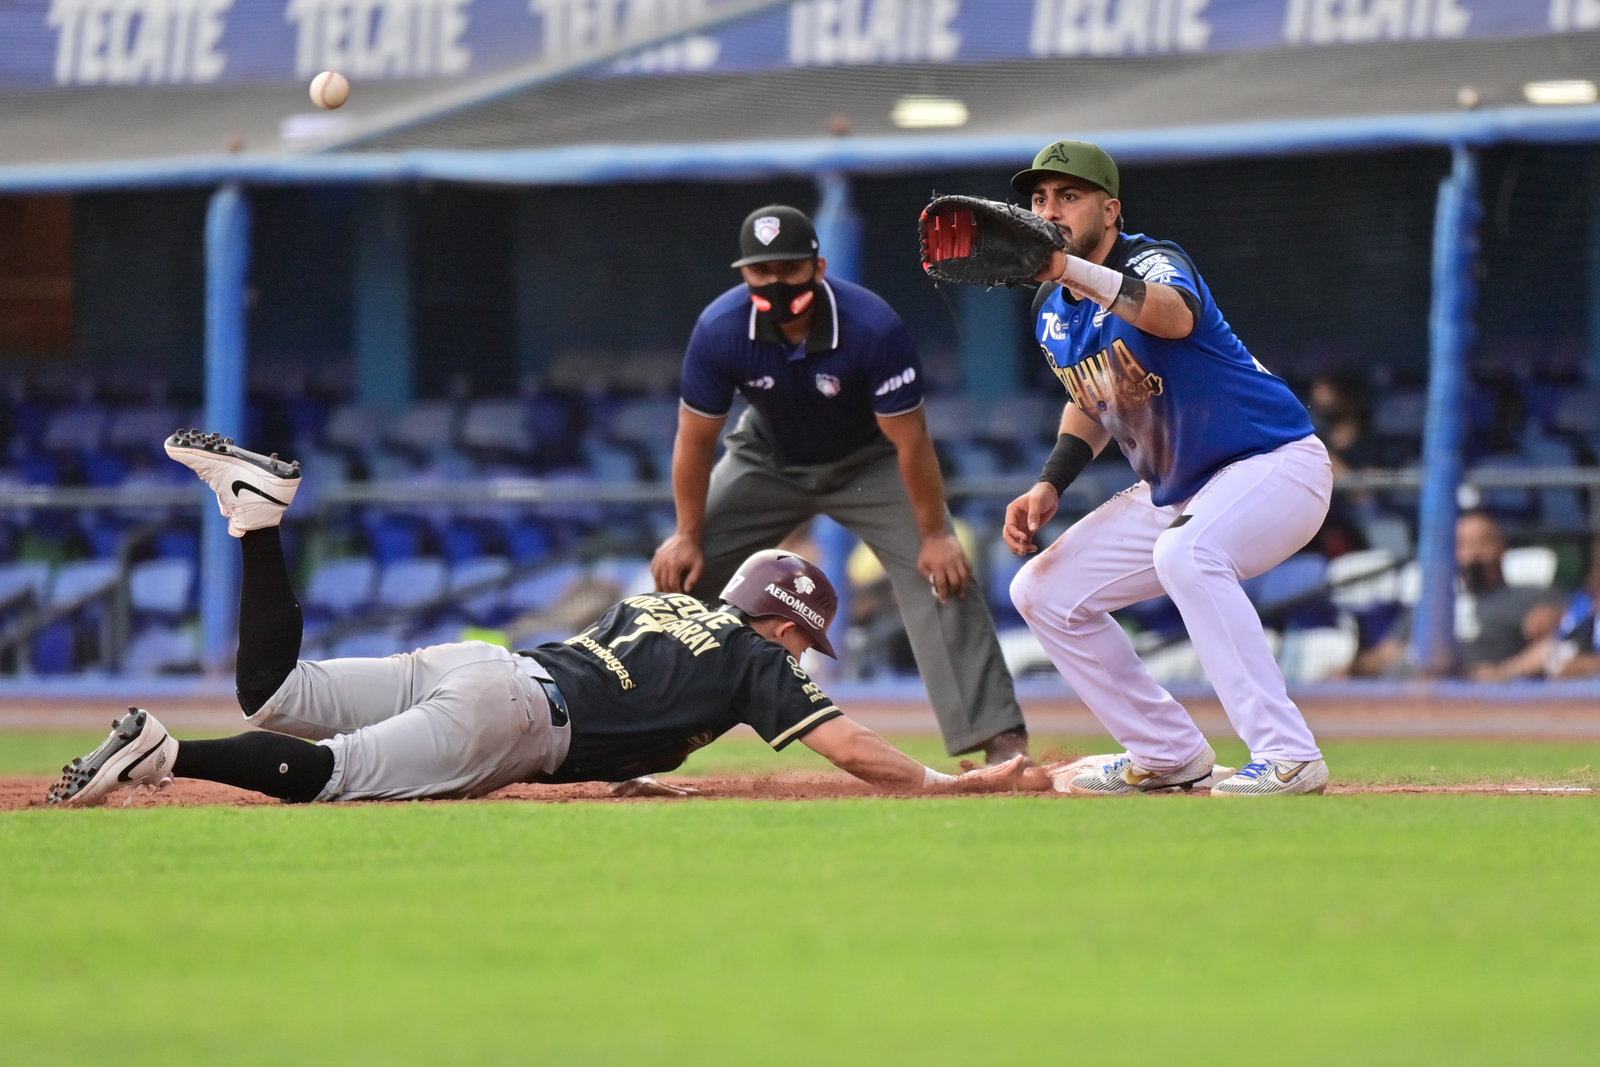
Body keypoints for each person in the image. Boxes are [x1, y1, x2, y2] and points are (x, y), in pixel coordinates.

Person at [47, 431, 1030, 807]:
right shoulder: (749, 657)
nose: (799, 652)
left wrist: (635, 768)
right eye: (801, 634)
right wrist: (944, 783)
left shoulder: (664, 603)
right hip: (511, 719)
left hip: (478, 665)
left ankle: (257, 520)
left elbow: (633, 688)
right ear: (782, 620)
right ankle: (167, 755)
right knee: (336, 777)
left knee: (277, 692)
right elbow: (853, 746)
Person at [1001, 139, 1334, 796]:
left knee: (1187, 554)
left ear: (1111, 209)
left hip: (1274, 464)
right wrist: (1049, 482)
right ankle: (1167, 753)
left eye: (1069, 196)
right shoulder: (1051, 310)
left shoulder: (1152, 259)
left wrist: (1071, 267)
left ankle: (1289, 752)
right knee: (1042, 592)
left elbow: (1172, 316)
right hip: (1179, 492)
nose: (1050, 209)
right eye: (1040, 198)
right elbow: (1093, 398)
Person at [649, 204, 1028, 764]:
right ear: (744, 274)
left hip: (867, 462)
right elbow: (695, 439)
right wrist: (685, 533)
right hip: (767, 458)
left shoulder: (871, 326)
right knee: (685, 568)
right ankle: (641, 727)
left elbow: (912, 442)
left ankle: (1000, 740)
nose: (774, 283)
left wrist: (935, 534)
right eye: (760, 271)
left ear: (818, 267)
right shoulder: (721, 329)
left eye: (788, 269)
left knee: (943, 574)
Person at [1349, 511, 1566, 681]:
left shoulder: (1533, 598)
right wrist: (1352, 668)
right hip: (1422, 690)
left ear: (1502, 547)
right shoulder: (1432, 603)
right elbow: (1388, 653)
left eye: (1483, 543)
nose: (1473, 554)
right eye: (1463, 545)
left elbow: (1563, 643)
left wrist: (1504, 672)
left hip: (1489, 693)